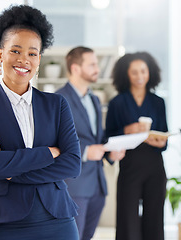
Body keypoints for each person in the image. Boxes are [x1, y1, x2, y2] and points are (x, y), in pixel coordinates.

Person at [0, 5, 81, 240]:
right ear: (1, 54)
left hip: (57, 219)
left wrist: (13, 172)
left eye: (32, 53)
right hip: (3, 221)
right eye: (16, 51)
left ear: (39, 59)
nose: (23, 60)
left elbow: (72, 164)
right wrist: (49, 152)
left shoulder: (56, 104)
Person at [56, 46, 125, 240]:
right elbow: (51, 141)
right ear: (76, 68)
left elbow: (97, 138)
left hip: (97, 185)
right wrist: (85, 152)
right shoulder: (58, 99)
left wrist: (110, 153)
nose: (98, 68)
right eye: (92, 64)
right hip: (74, 185)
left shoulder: (94, 99)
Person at [105, 52, 168, 240]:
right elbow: (107, 137)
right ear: (126, 74)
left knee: (155, 220)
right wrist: (128, 129)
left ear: (150, 73)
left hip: (154, 167)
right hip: (129, 167)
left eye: (143, 71)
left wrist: (158, 140)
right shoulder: (117, 103)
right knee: (127, 221)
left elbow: (165, 137)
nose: (140, 76)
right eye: (134, 72)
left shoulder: (158, 102)